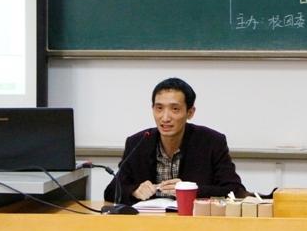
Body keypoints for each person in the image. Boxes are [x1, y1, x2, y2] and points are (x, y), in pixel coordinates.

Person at [104, 77, 246, 205]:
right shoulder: (138, 142)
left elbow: (235, 190)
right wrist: (134, 191)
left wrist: (190, 190)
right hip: (149, 222)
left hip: (195, 222)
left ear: (190, 112)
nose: (165, 117)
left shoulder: (212, 142)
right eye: (159, 108)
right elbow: (111, 191)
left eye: (175, 109)